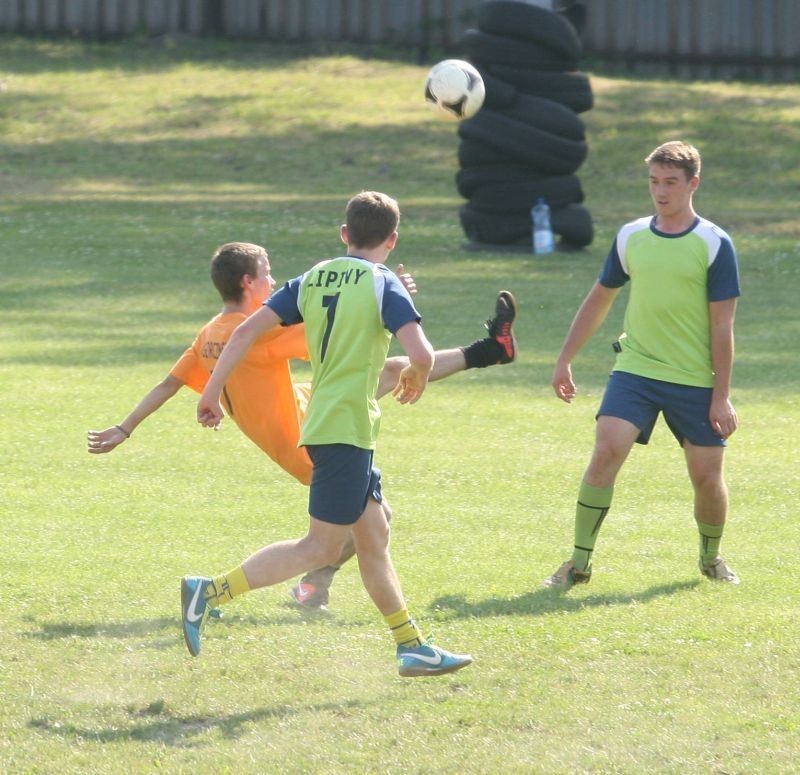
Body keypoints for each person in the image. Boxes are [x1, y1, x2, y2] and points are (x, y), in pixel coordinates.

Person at [88, 244, 517, 610]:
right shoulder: (260, 333)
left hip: (308, 404)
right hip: (309, 437)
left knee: (392, 369)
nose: (273, 283)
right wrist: (388, 299)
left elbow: (169, 383)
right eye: (267, 275)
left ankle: (490, 350)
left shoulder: (208, 335)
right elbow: (340, 327)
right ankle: (289, 588)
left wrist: (125, 428)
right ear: (245, 283)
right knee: (369, 523)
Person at [183, 190, 473, 676]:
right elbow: (420, 355)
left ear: (344, 234)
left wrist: (211, 393)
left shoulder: (311, 277)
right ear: (393, 240)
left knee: (374, 534)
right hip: (344, 429)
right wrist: (416, 377)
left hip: (328, 423)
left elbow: (243, 333)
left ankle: (411, 646)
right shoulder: (385, 284)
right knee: (318, 547)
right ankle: (208, 592)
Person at [543, 140, 741, 589]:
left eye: (671, 182)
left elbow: (723, 326)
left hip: (694, 379)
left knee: (707, 480)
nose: (661, 191)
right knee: (606, 450)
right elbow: (599, 300)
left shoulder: (713, 244)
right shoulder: (631, 235)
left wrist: (721, 395)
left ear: (694, 183)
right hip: (636, 370)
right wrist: (564, 359)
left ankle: (711, 558)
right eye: (654, 181)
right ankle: (578, 564)